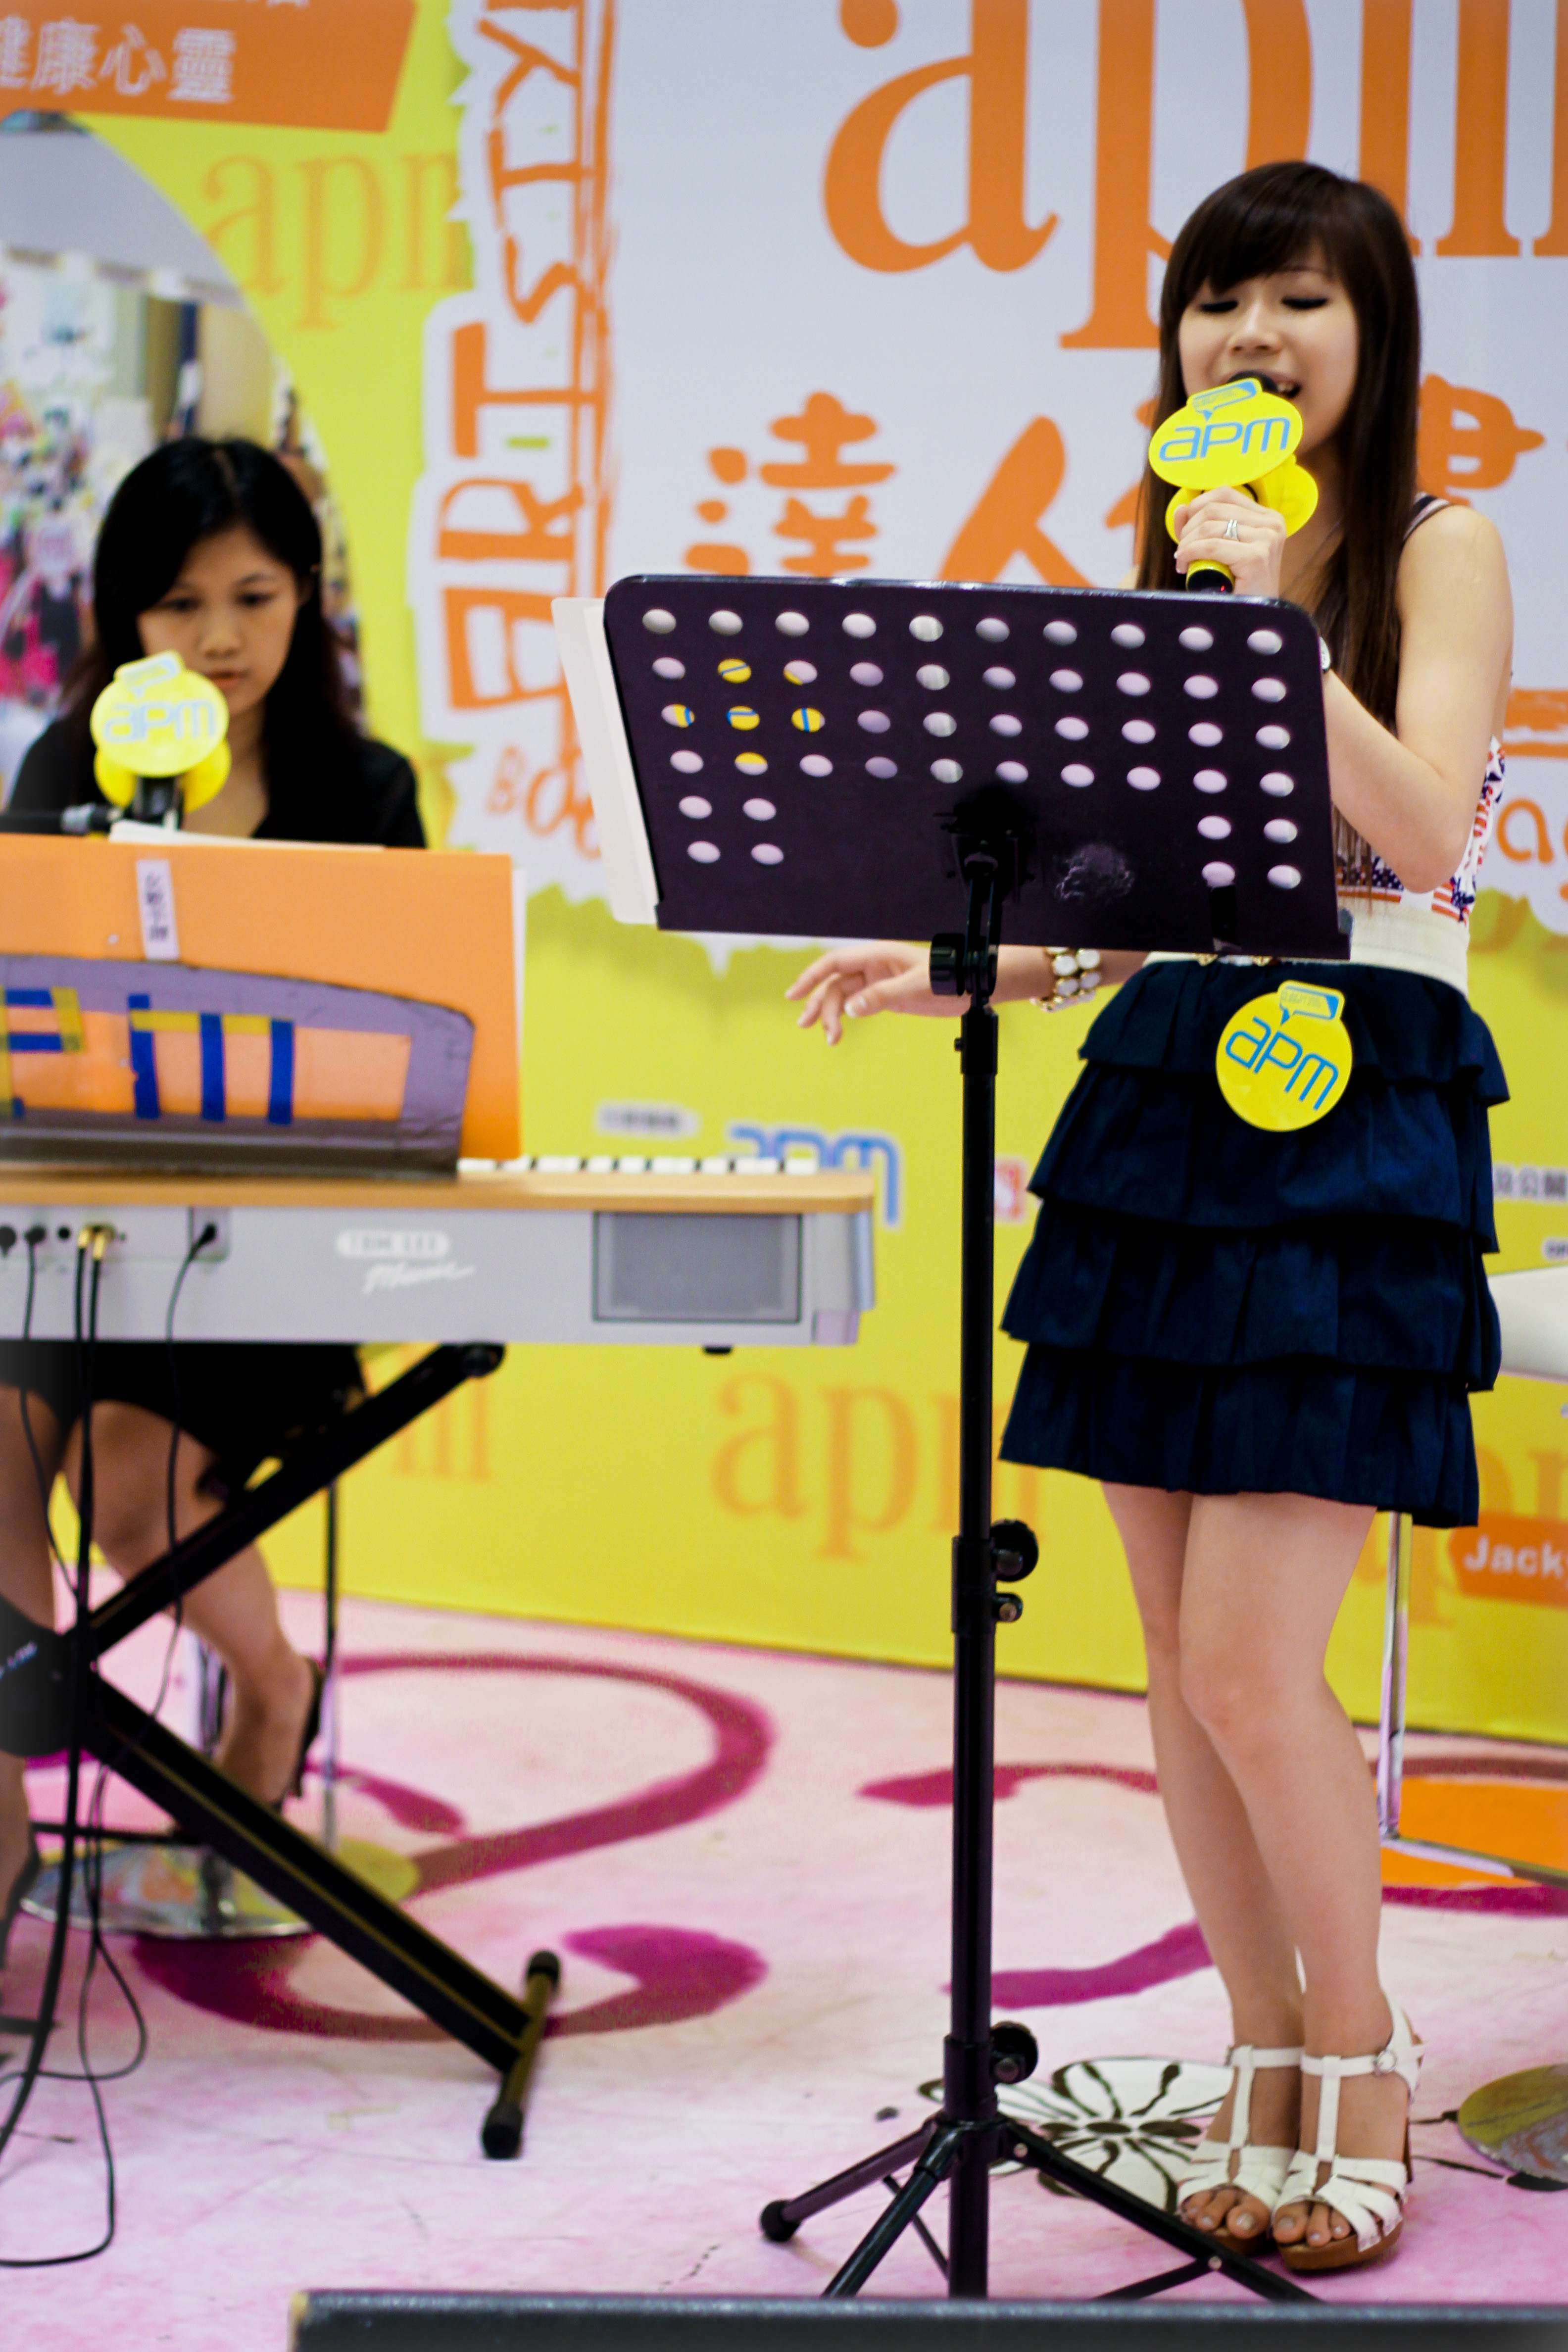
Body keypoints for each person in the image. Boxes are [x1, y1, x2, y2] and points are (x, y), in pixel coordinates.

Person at [786, 162, 1511, 2276]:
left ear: (1373, 334)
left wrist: (1270, 618)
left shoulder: (1434, 546)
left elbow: (1426, 835)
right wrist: (966, 964)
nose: (1249, 339)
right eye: (1216, 304)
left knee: (1256, 1664)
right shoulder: (1168, 572)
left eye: (1298, 300)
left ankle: (1359, 2054)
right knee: (1179, 1676)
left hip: (1356, 1104)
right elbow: (1147, 899)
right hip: (1163, 1106)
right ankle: (1259, 2047)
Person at [0, 438, 425, 1969]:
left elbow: (414, 1039)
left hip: (277, 1242)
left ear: (306, 597)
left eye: (254, 596)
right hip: (76, 1230)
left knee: (131, 1497)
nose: (221, 639)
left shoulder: (363, 792)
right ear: (123, 616)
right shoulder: (69, 773)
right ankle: (3, 1822)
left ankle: (274, 1688)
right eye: (179, 604)